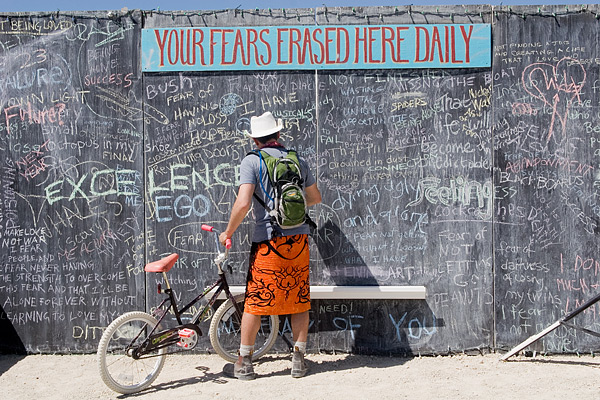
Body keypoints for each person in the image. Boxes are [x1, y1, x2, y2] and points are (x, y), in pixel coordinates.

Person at [219, 111, 322, 380]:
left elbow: (243, 203)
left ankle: (244, 362)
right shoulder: (297, 160)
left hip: (268, 241)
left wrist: (228, 231)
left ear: (254, 139)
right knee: (299, 298)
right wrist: (291, 208)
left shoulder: (252, 161)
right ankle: (298, 360)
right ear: (278, 133)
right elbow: (315, 198)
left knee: (256, 300)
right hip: (298, 241)